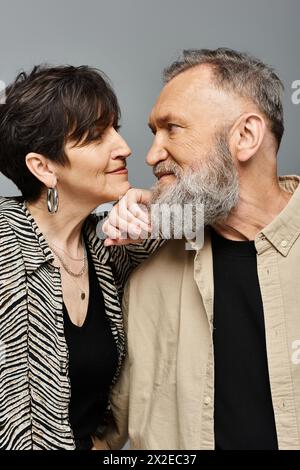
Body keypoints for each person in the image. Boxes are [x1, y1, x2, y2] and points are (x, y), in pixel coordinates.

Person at [102, 48, 300, 450]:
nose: (152, 154)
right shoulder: (146, 276)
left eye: (172, 129)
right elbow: (98, 433)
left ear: (245, 137)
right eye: (154, 132)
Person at [0, 65, 160, 450]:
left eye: (115, 128)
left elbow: (208, 211)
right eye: (95, 137)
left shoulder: (109, 246)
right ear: (43, 167)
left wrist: (150, 201)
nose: (124, 147)